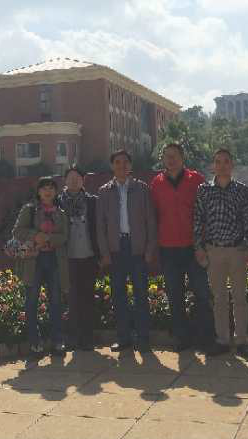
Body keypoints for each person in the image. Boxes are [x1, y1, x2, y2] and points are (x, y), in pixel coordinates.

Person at [149, 142, 216, 353]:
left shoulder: (196, 180)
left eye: (174, 155)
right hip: (168, 248)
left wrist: (204, 244)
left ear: (182, 157)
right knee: (175, 295)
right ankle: (182, 338)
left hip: (193, 247)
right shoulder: (156, 184)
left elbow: (206, 213)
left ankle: (206, 339)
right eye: (167, 156)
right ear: (162, 159)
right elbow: (153, 216)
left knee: (202, 293)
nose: (171, 160)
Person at [193, 149, 248, 357]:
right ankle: (222, 340)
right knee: (219, 298)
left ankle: (242, 341)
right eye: (218, 162)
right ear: (213, 165)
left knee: (239, 298)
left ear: (232, 165)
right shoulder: (204, 190)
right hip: (214, 250)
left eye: (226, 161)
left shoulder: (241, 190)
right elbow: (198, 219)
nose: (222, 165)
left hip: (236, 250)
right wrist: (198, 247)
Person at [97, 149, 157, 353]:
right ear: (112, 166)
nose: (122, 166)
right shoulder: (104, 191)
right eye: (117, 162)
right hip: (116, 248)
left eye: (125, 162)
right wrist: (105, 253)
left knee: (141, 294)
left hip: (137, 247)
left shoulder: (142, 189)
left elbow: (150, 221)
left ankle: (143, 338)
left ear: (130, 166)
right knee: (119, 295)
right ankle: (123, 338)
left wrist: (149, 248)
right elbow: (100, 226)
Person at [12, 176, 70, 356]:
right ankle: (34, 342)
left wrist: (49, 238)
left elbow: (64, 236)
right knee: (31, 302)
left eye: (51, 188)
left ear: (56, 192)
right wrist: (35, 235)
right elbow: (17, 231)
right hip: (33, 261)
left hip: (55, 260)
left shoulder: (61, 213)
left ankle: (57, 341)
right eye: (44, 188)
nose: (48, 191)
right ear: (38, 192)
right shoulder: (29, 210)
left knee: (56, 302)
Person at [57, 165, 99, 351]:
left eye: (77, 177)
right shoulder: (58, 203)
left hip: (89, 256)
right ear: (65, 180)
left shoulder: (92, 202)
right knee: (72, 299)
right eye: (70, 177)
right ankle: (72, 337)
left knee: (88, 298)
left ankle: (87, 337)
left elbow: (100, 227)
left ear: (83, 180)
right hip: (68, 257)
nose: (74, 180)